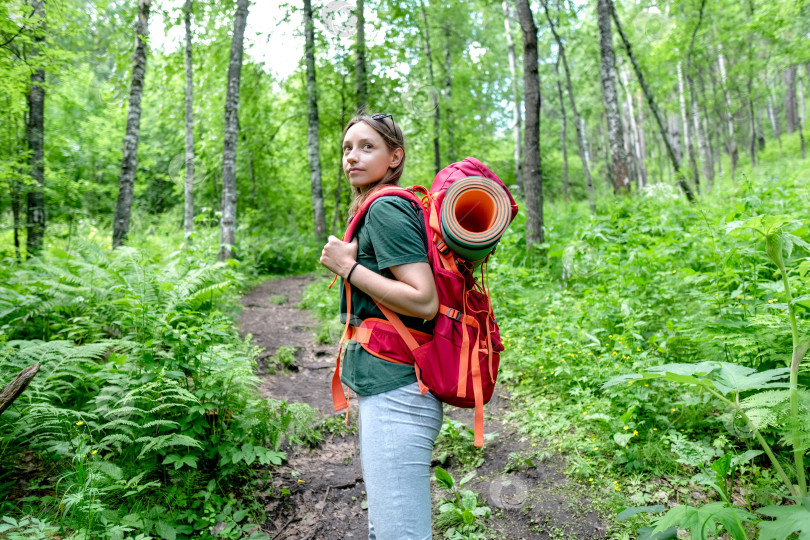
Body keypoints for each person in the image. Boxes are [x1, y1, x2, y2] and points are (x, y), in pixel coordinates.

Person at [319, 112, 442, 540]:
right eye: (347, 148)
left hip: (399, 393)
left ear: (395, 157)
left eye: (367, 147)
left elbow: (424, 299)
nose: (352, 157)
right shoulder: (379, 205)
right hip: (392, 387)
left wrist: (348, 268)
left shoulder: (387, 207)